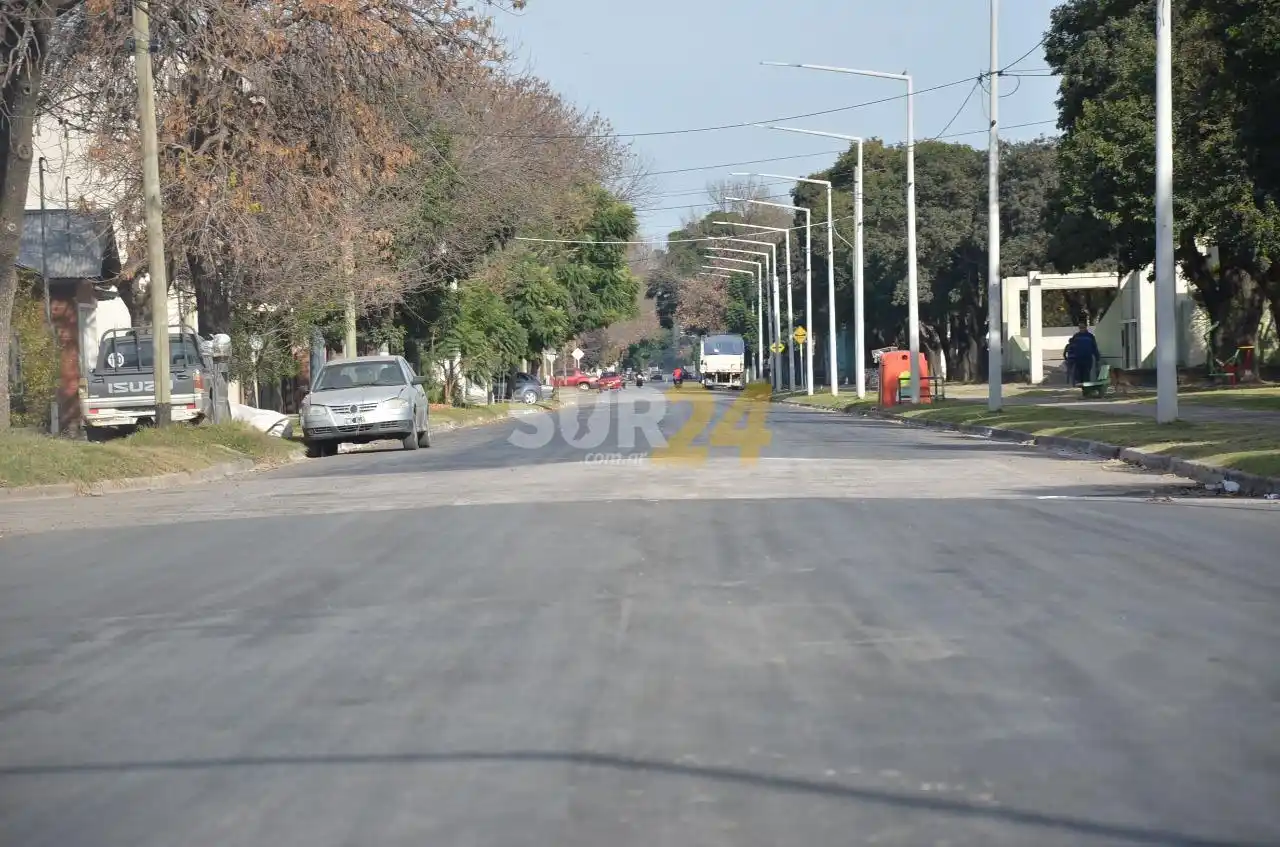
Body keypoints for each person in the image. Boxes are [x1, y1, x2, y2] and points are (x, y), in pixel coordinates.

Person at [1065, 320, 1100, 385]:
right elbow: (1071, 346)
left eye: (1083, 327)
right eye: (1080, 327)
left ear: (1086, 327)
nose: (1081, 328)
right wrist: (1071, 356)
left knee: (1086, 374)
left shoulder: (1090, 336)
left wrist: (1097, 357)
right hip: (1078, 358)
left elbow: (1094, 347)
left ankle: (1087, 389)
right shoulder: (1076, 336)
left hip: (1087, 358)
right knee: (1079, 374)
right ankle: (1082, 388)